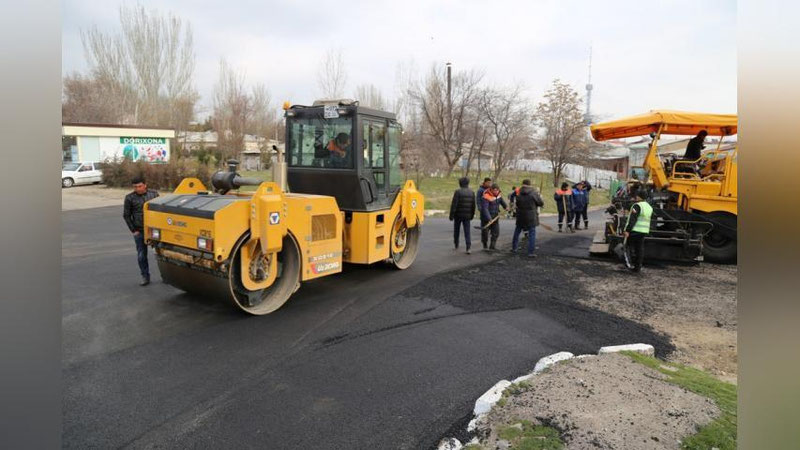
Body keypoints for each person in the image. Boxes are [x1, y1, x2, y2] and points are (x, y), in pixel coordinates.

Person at [123, 176, 159, 286]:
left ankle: (165, 275)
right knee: (141, 255)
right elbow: (126, 215)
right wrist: (134, 230)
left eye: (139, 186)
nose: (138, 189)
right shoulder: (129, 198)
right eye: (135, 187)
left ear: (145, 185)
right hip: (140, 231)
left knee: (161, 254)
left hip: (155, 230)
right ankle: (145, 276)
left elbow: (159, 210)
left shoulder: (153, 194)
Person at [511, 179, 544, 257]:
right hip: (531, 216)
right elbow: (540, 203)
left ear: (522, 184)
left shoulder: (518, 193)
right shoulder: (534, 193)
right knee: (532, 233)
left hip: (520, 215)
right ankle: (530, 252)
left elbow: (517, 203)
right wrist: (539, 197)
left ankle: (514, 248)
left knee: (517, 232)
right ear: (530, 184)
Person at [623, 188, 653, 273]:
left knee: (627, 246)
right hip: (644, 231)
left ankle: (629, 264)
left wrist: (627, 230)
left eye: (637, 195)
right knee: (639, 249)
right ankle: (637, 267)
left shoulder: (637, 206)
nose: (636, 197)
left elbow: (633, 219)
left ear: (639, 197)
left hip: (635, 230)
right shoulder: (649, 207)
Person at [449, 176, 476, 254]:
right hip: (467, 216)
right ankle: (468, 247)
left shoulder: (458, 192)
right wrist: (472, 215)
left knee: (456, 230)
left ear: (460, 183)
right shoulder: (472, 192)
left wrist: (451, 215)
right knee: (467, 231)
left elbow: (454, 204)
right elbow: (473, 205)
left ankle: (456, 244)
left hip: (458, 215)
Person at [480, 183, 508, 250]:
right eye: (494, 190)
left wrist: (506, 207)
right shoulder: (486, 196)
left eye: (497, 190)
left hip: (495, 216)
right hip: (486, 217)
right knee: (485, 233)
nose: (496, 192)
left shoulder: (498, 195)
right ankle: (485, 245)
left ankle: (492, 246)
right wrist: (489, 218)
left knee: (496, 232)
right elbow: (485, 208)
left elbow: (502, 202)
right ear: (491, 190)